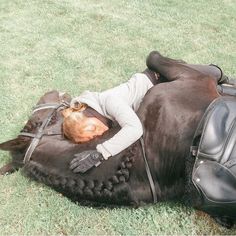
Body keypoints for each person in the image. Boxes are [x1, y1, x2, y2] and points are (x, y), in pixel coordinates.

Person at [65, 51, 232, 174]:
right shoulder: (98, 111)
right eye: (93, 139)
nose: (98, 135)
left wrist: (100, 153)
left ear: (89, 117)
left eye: (92, 131)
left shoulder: (109, 101)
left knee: (204, 77)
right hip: (158, 96)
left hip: (161, 78)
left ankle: (219, 74)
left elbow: (134, 129)